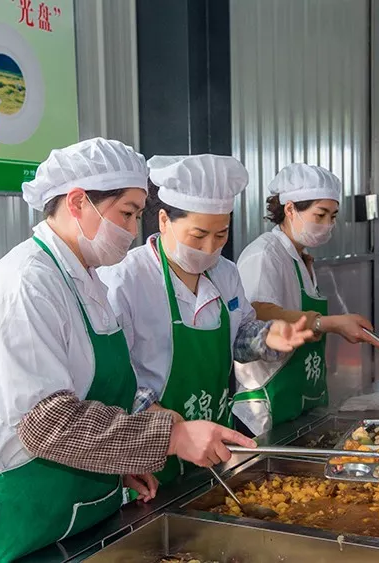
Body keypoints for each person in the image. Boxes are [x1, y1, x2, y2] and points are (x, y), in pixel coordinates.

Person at [0, 139, 257, 563]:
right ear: (76, 202)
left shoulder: (87, 282)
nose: (134, 229)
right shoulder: (23, 286)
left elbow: (95, 393)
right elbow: (47, 424)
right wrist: (171, 437)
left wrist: (121, 457)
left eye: (138, 215)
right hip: (21, 514)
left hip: (80, 509)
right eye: (127, 213)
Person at [97, 154, 313, 483]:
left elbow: (239, 336)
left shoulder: (225, 274)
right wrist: (168, 427)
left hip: (212, 441)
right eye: (198, 236)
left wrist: (267, 337)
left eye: (221, 235)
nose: (210, 247)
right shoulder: (125, 279)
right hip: (150, 452)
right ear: (165, 220)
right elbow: (111, 379)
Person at [233, 163, 376, 436]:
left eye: (333, 216)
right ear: (289, 209)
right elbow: (258, 315)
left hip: (300, 397)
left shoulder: (301, 258)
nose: (328, 224)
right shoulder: (264, 254)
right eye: (320, 214)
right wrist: (330, 323)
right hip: (265, 409)